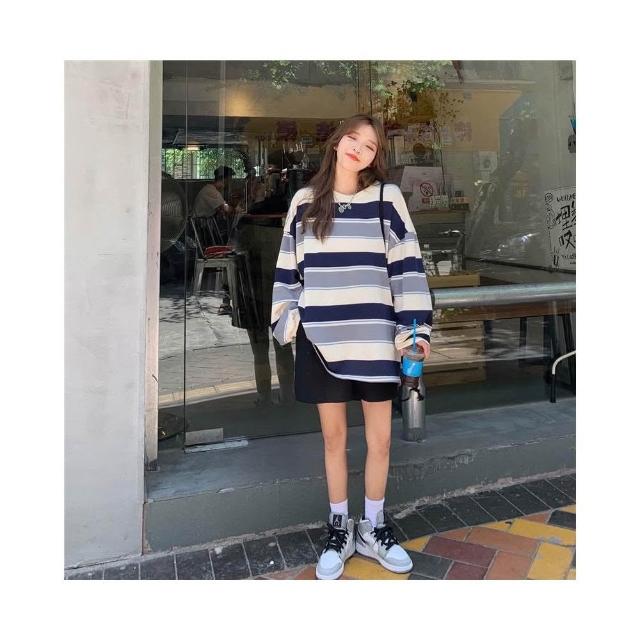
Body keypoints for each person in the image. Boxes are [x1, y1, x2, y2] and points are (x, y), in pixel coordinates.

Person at [270, 114, 433, 579]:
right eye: (353, 138)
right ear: (338, 142)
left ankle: (373, 525)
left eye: (370, 145)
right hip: (323, 340)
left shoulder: (387, 199)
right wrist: (290, 319)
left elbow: (407, 266)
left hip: (376, 339)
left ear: (376, 156)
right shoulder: (305, 202)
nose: (359, 148)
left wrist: (414, 332)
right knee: (334, 439)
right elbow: (287, 268)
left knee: (380, 440)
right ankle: (339, 527)